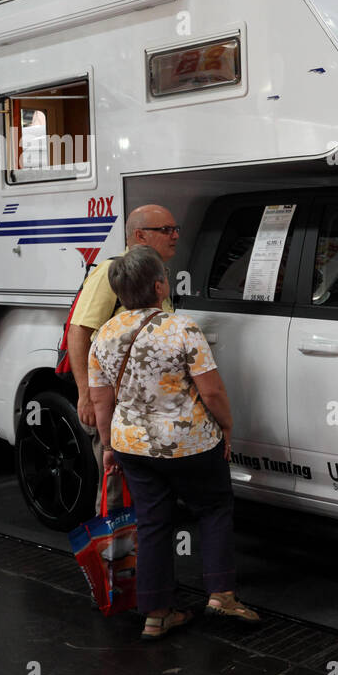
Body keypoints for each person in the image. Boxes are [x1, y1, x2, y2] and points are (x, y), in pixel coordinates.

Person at [87, 246, 259, 640]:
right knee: (214, 508)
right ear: (160, 285)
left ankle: (156, 614)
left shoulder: (104, 335)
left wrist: (110, 446)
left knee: (152, 524)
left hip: (133, 447)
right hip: (190, 444)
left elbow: (101, 401)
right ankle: (221, 596)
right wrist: (227, 428)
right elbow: (212, 393)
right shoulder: (182, 328)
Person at [67, 205, 180, 511]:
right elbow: (78, 332)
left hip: (146, 407)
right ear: (139, 235)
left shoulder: (153, 273)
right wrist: (85, 395)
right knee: (117, 486)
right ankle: (113, 555)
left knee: (145, 492)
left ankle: (142, 553)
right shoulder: (111, 272)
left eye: (175, 229)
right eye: (166, 230)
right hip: (114, 405)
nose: (175, 236)